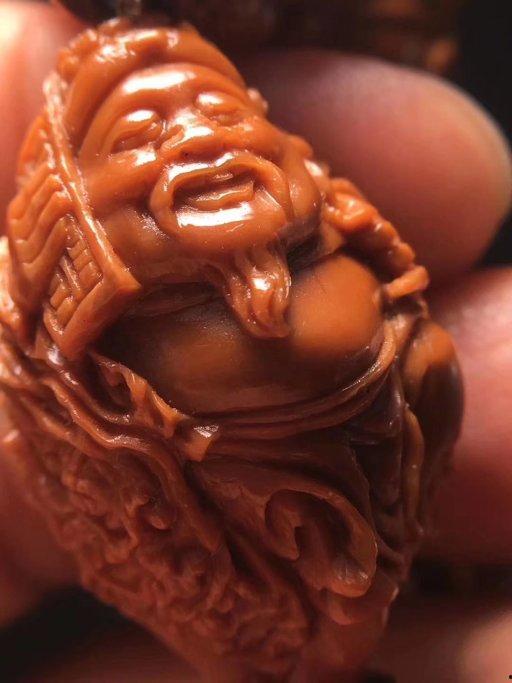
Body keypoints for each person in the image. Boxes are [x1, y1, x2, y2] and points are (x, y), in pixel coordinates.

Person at [0, 2, 510, 680]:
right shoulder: (78, 357)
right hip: (214, 498)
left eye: (220, 113)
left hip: (381, 444)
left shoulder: (319, 211)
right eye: (140, 136)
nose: (196, 139)